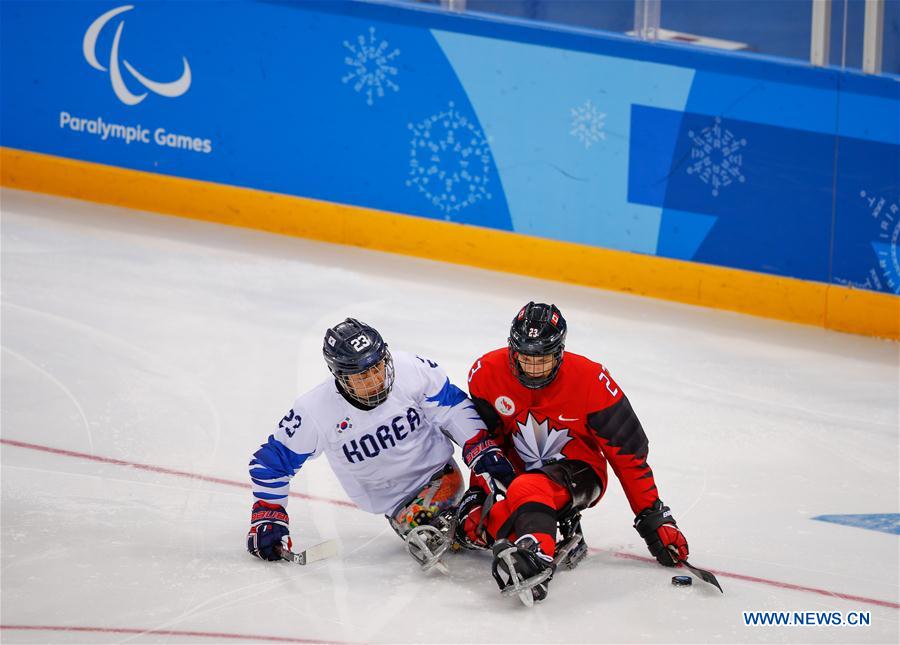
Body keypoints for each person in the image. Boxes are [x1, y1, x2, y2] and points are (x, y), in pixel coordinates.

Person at [457, 302, 689, 604]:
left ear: (560, 353)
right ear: (512, 350)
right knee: (475, 526)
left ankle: (538, 554)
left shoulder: (592, 380)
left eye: (543, 359)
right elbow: (488, 444)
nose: (533, 368)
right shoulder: (486, 372)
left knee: (528, 487)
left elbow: (628, 456)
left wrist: (653, 518)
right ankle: (551, 527)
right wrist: (479, 494)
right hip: (520, 478)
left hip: (581, 471)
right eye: (525, 357)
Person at [246, 317, 514, 568]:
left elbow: (452, 407)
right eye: (362, 377)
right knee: (453, 527)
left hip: (443, 477)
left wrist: (482, 449)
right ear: (340, 376)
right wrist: (268, 514)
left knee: (483, 513)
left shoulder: (410, 369)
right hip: (396, 504)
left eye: (377, 368)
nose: (375, 380)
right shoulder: (316, 410)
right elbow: (272, 463)